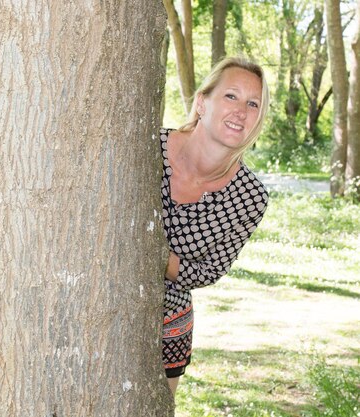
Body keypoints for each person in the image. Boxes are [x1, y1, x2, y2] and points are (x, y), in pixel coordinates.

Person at [160, 57, 270, 395]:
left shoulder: (251, 197)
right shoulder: (146, 147)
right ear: (202, 103)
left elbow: (208, 271)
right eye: (231, 96)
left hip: (168, 323)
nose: (241, 111)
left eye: (253, 104)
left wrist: (152, 257)